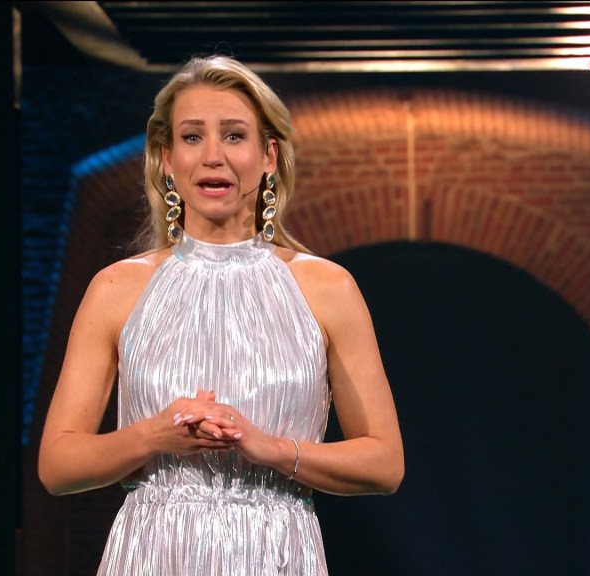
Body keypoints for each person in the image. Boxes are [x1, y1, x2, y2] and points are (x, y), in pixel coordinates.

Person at [39, 54, 405, 576]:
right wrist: (155, 436)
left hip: (276, 554)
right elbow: (58, 465)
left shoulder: (328, 289)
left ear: (269, 155)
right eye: (192, 137)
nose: (213, 156)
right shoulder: (116, 289)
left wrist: (271, 448)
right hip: (153, 555)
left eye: (234, 136)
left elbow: (385, 463)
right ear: (166, 158)